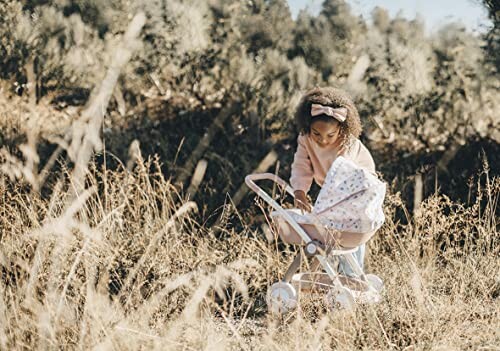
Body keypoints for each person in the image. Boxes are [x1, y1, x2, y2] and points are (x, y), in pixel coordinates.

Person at [289, 86, 376, 277]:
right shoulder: (305, 139)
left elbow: (344, 174)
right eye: (316, 134)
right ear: (307, 127)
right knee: (330, 230)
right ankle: (333, 273)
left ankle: (351, 275)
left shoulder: (347, 142)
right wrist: (300, 191)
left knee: (352, 231)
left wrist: (329, 204)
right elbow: (301, 166)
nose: (323, 141)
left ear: (341, 129)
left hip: (359, 188)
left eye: (330, 135)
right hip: (332, 187)